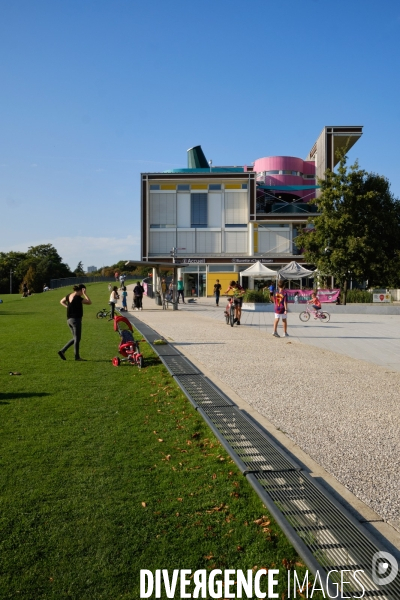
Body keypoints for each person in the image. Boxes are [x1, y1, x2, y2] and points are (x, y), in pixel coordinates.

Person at [58, 284, 92, 361]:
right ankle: (76, 357)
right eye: (83, 291)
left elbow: (61, 301)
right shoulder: (78, 298)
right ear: (81, 290)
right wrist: (85, 294)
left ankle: (62, 351)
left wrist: (68, 307)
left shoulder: (69, 295)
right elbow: (89, 302)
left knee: (75, 338)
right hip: (76, 320)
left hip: (69, 320)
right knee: (77, 338)